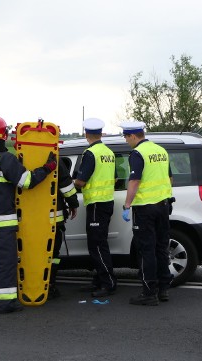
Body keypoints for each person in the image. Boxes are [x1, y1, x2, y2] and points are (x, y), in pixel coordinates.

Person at [0, 115, 57, 313]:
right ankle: (5, 303)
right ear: (5, 136)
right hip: (2, 225)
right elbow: (27, 182)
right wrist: (48, 168)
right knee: (4, 263)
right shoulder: (6, 159)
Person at [120, 121, 173, 306]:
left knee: (146, 250)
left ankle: (149, 292)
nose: (126, 141)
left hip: (145, 209)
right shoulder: (160, 150)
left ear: (133, 136)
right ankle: (163, 289)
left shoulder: (138, 153)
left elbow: (134, 181)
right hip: (163, 206)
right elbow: (170, 178)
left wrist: (127, 205)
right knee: (161, 247)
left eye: (126, 137)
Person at [73, 118, 117, 297]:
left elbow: (81, 181)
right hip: (106, 202)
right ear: (100, 133)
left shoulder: (90, 153)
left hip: (96, 204)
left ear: (86, 134)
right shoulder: (108, 152)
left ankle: (108, 283)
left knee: (97, 245)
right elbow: (114, 179)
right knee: (99, 243)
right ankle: (99, 280)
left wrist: (71, 183)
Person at [48, 159, 79, 299]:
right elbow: (67, 187)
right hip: (53, 220)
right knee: (53, 256)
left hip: (29, 222)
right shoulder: (54, 159)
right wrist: (73, 204)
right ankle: (50, 286)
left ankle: (33, 286)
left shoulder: (22, 158)